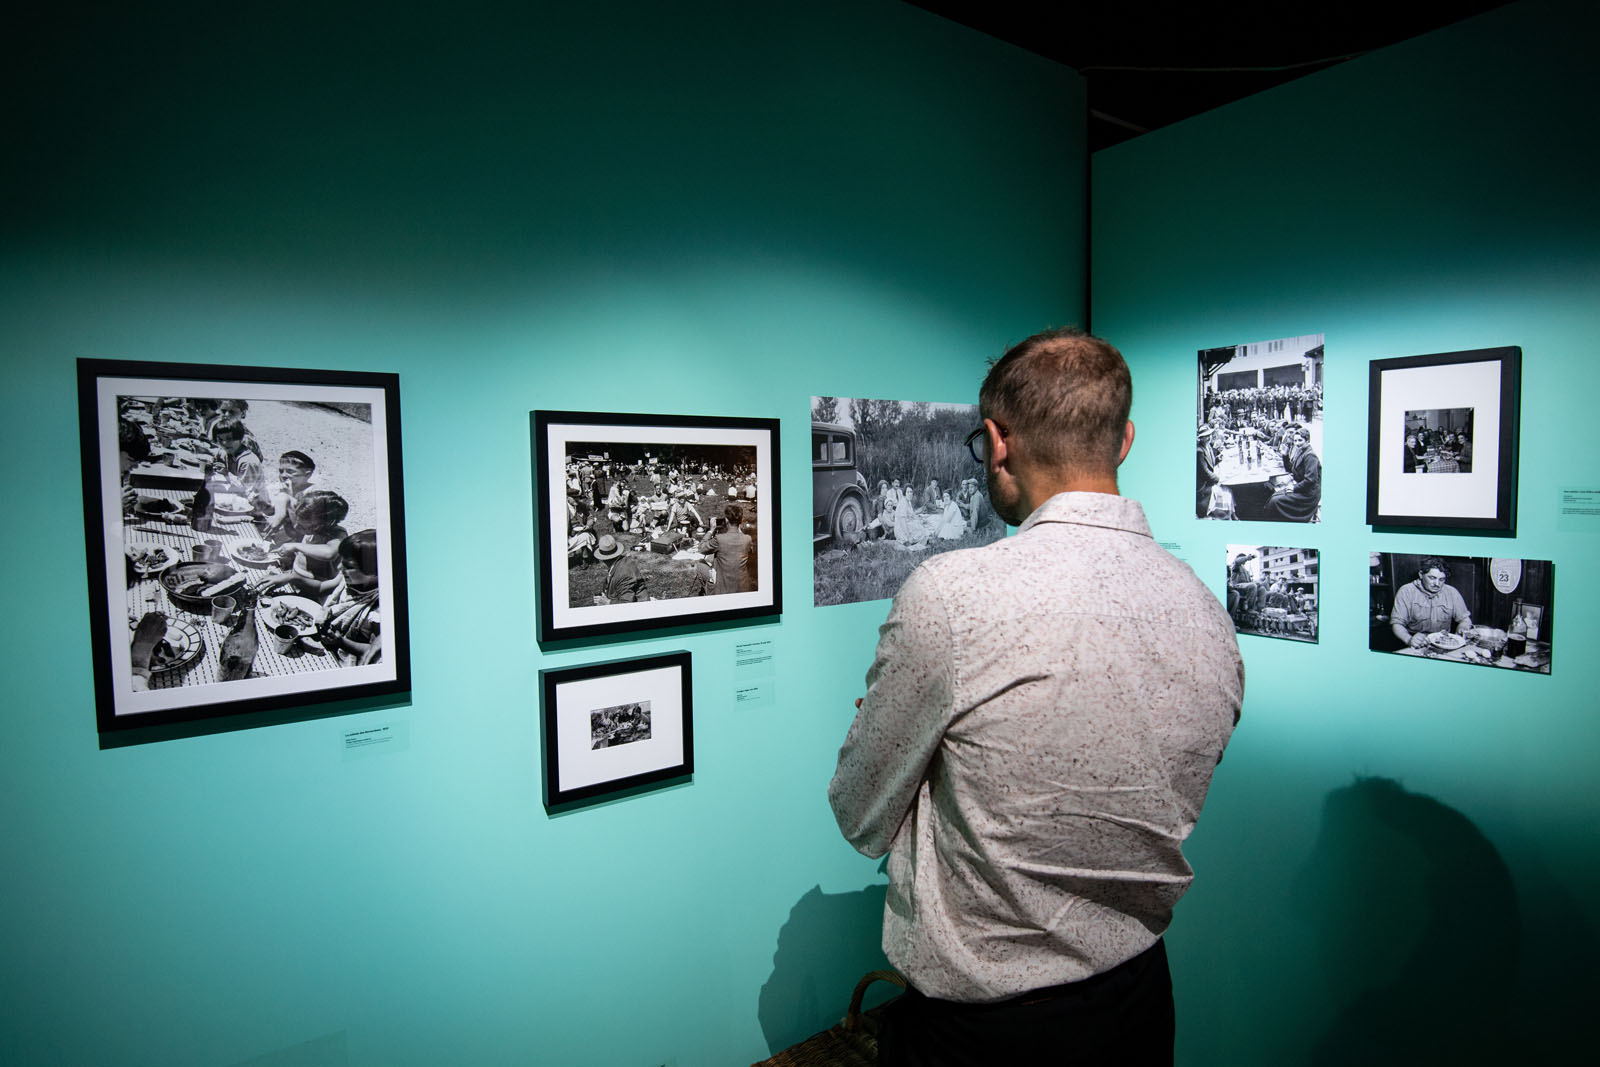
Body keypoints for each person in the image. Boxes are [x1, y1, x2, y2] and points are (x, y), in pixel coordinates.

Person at [829, 327, 1243, 1066]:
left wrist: (913, 750)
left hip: (982, 1033)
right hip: (1140, 1005)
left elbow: (858, 813)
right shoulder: (1205, 611)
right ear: (1123, 441)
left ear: (997, 440)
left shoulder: (952, 598)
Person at [320, 529, 381, 665]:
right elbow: (322, 588)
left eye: (349, 566)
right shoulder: (350, 579)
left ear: (375, 572)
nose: (339, 567)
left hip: (342, 659)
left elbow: (373, 651)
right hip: (326, 641)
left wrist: (341, 641)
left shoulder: (377, 609)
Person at [1391, 556, 1472, 650]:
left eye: (1441, 579)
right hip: (1415, 645)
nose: (1437, 584)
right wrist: (1409, 639)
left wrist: (1463, 628)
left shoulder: (1452, 592)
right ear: (1421, 574)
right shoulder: (1406, 591)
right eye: (1432, 578)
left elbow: (1465, 619)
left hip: (1444, 644)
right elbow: (1396, 624)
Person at [1263, 427, 1320, 522]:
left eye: (1300, 440)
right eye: (1295, 441)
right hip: (1302, 488)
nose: (1297, 443)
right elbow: (1291, 469)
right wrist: (1285, 456)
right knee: (1274, 495)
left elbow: (1311, 480)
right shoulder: (1301, 451)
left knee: (1275, 501)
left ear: (1307, 440)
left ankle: (1277, 521)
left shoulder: (1310, 456)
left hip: (1309, 494)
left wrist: (1294, 487)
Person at [699, 505, 752, 596]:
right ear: (740, 520)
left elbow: (701, 548)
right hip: (742, 585)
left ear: (726, 520)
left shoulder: (720, 539)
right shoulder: (747, 539)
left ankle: (708, 591)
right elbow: (751, 550)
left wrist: (711, 530)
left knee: (700, 564)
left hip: (722, 585)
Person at [593, 534, 648, 604]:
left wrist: (608, 602)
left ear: (603, 558)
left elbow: (627, 604)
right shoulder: (620, 562)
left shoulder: (624, 574)